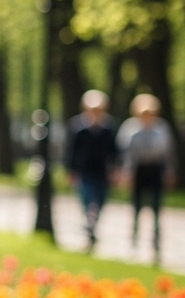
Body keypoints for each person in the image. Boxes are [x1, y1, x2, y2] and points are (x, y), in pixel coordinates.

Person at [117, 93, 178, 262]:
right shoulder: (130, 128)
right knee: (136, 208)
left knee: (157, 208)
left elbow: (168, 153)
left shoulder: (161, 128)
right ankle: (133, 243)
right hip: (138, 170)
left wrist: (170, 171)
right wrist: (125, 173)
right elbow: (125, 153)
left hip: (155, 169)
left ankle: (156, 245)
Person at [65, 89, 119, 251]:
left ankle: (92, 226)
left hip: (102, 171)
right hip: (84, 171)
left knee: (101, 200)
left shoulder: (108, 128)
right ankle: (89, 227)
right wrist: (71, 171)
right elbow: (71, 151)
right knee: (88, 199)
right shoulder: (78, 128)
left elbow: (114, 151)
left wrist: (115, 170)